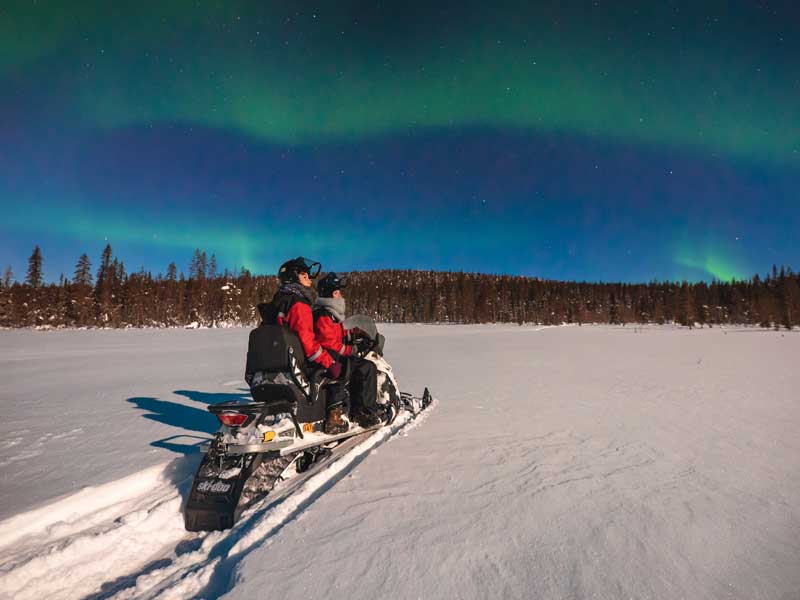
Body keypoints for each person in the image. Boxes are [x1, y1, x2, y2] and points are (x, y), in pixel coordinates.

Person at [266, 257, 347, 434]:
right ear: (294, 279)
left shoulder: (278, 302)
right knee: (338, 365)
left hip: (279, 361)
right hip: (298, 361)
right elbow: (307, 341)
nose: (309, 278)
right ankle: (334, 417)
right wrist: (330, 363)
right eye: (304, 275)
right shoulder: (298, 304)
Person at [314, 272, 381, 427]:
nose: (340, 295)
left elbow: (336, 333)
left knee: (359, 365)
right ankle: (363, 412)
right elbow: (329, 342)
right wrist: (352, 349)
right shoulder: (324, 315)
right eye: (337, 292)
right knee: (367, 367)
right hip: (329, 359)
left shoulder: (329, 314)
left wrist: (352, 332)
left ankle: (355, 406)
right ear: (329, 295)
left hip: (331, 357)